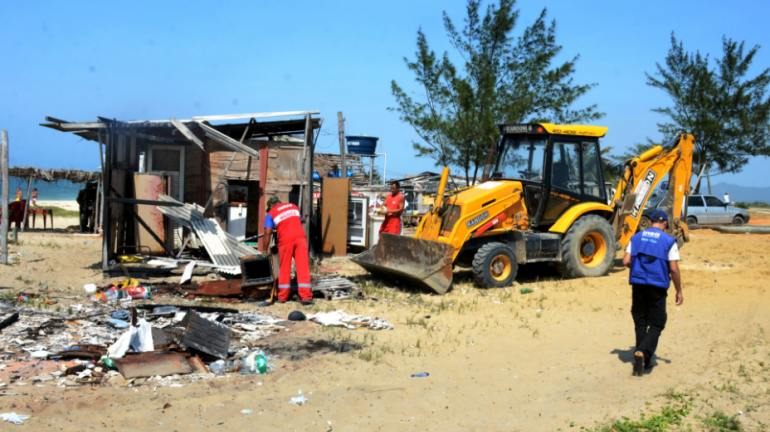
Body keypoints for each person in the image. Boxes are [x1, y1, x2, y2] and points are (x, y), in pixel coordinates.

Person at [622, 210, 683, 376]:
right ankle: (641, 350)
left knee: (640, 320)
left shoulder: (636, 238)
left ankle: (641, 362)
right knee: (657, 323)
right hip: (657, 285)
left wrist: (638, 269)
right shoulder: (669, 241)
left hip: (638, 284)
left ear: (650, 222)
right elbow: (674, 269)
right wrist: (679, 291)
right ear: (665, 224)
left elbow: (626, 261)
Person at [263, 196, 313, 305]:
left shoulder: (271, 213)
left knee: (285, 268)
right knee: (303, 267)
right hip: (300, 239)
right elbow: (296, 221)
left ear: (271, 205)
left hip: (286, 241)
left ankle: (282, 297)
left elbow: (267, 233)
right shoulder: (294, 207)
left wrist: (264, 250)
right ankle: (306, 297)